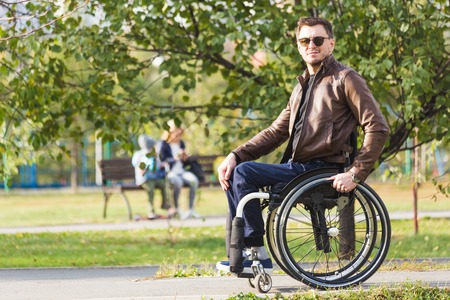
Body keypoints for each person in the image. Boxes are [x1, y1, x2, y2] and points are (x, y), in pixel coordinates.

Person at [216, 17, 389, 273]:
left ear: (331, 43)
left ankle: (255, 252)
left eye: (318, 40)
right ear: (298, 46)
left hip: (323, 168)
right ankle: (248, 251)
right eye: (305, 40)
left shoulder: (345, 79)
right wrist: (235, 154)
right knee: (235, 170)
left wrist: (356, 173)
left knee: (244, 173)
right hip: (299, 168)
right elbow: (276, 132)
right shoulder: (301, 88)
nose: (312, 45)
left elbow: (378, 127)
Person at [159, 125, 200, 219]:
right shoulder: (164, 144)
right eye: (176, 134)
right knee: (178, 182)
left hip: (182, 171)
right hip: (170, 172)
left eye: (180, 134)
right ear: (170, 133)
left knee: (194, 181)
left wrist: (185, 158)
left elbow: (184, 162)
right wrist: (175, 158)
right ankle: (176, 209)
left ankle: (190, 210)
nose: (178, 137)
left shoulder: (181, 143)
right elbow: (162, 162)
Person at [132, 134, 169, 220]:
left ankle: (165, 204)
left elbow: (157, 166)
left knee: (165, 185)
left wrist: (162, 165)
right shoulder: (139, 154)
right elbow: (137, 165)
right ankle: (151, 211)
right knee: (150, 190)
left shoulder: (154, 154)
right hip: (144, 179)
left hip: (155, 178)